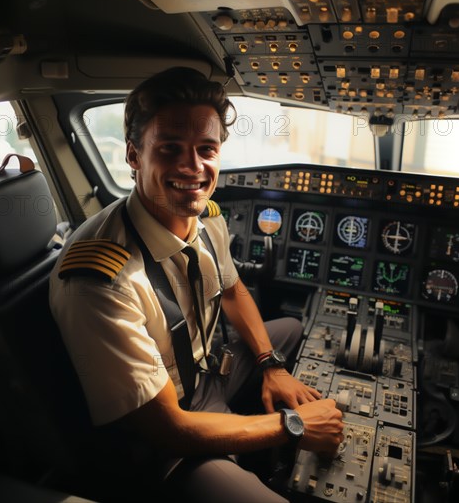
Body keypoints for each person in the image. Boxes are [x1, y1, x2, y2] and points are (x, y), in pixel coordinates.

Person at [49, 67, 344, 502]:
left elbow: (231, 289)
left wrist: (269, 364)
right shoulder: (100, 279)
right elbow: (169, 428)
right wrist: (293, 426)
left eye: (206, 149)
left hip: (208, 372)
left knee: (291, 332)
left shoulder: (204, 219)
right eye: (170, 149)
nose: (193, 167)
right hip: (165, 433)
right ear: (134, 156)